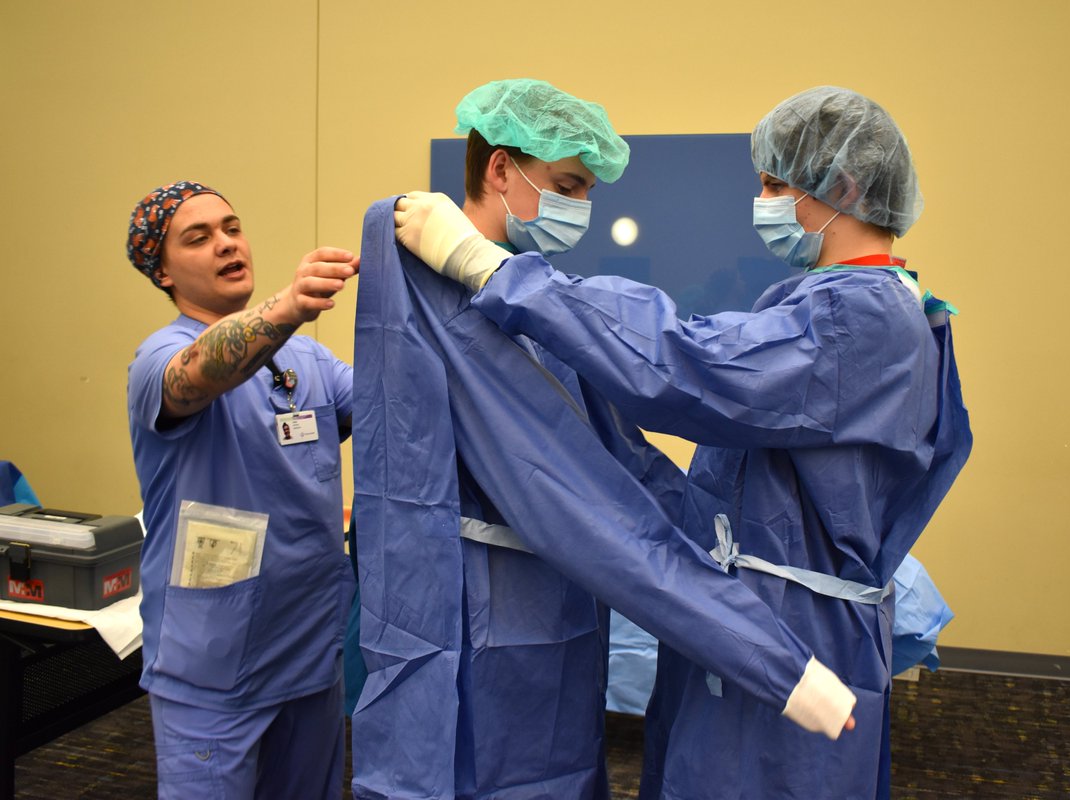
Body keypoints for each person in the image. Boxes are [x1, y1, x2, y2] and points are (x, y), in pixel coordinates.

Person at [395, 86, 973, 799]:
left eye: (773, 184)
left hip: (793, 639)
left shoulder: (861, 319)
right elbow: (703, 478)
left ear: (844, 187)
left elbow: (689, 364)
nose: (759, 202)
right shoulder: (833, 304)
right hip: (750, 625)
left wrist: (497, 273)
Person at [124, 180, 359, 798]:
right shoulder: (159, 358)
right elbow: (197, 374)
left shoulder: (304, 362)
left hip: (308, 659)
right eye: (198, 238)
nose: (226, 244)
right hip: (213, 676)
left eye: (231, 228)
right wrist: (285, 308)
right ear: (164, 272)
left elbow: (392, 405)